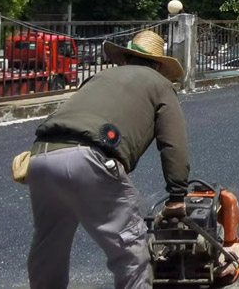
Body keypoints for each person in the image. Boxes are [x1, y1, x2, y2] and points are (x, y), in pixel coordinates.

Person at [26, 30, 189, 289]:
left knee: (49, 245)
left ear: (124, 58)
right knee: (129, 249)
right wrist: (177, 195)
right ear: (158, 65)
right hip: (91, 158)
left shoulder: (97, 77)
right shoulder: (160, 84)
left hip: (40, 155)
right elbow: (173, 143)